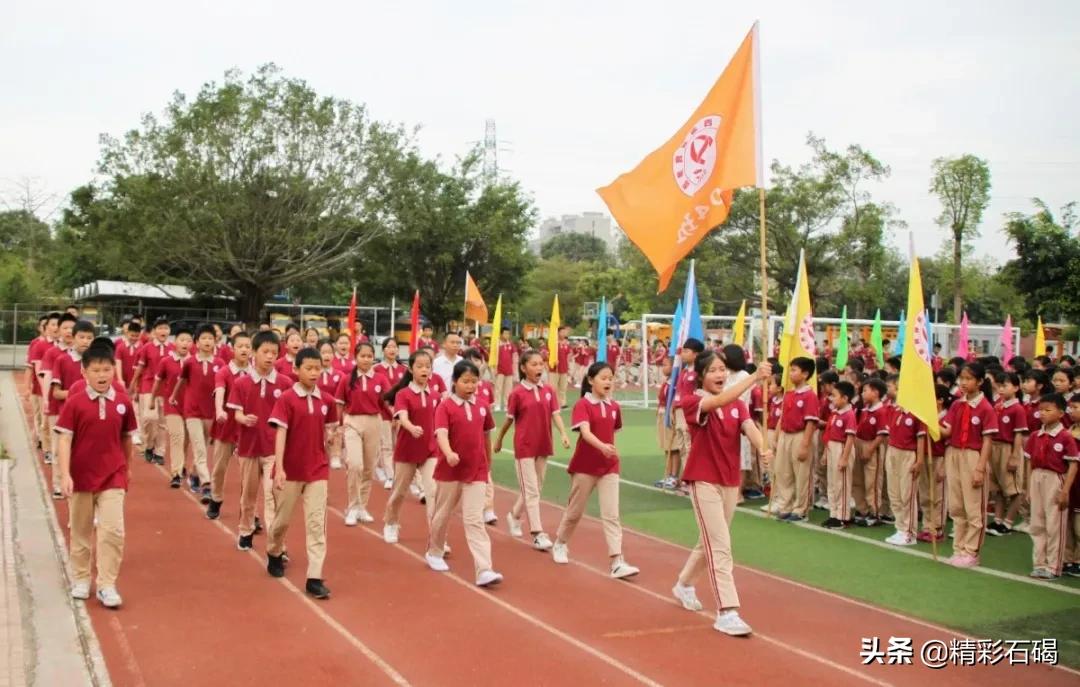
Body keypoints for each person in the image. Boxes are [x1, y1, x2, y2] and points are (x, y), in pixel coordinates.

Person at [673, 351, 772, 636]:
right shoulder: (694, 402)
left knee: (711, 541)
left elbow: (749, 427)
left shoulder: (738, 406)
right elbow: (717, 401)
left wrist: (763, 447)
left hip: (729, 481)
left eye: (723, 370)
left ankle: (684, 584)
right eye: (714, 370)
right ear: (702, 375)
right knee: (720, 545)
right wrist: (755, 378)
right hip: (703, 479)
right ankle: (727, 611)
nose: (720, 375)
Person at [55, 341, 138, 608]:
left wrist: (126, 468)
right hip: (81, 476)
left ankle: (106, 584)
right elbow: (65, 440)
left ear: (114, 370)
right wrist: (65, 474)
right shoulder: (75, 402)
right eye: (96, 370)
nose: (102, 375)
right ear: (84, 372)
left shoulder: (123, 402)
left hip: (112, 475)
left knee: (112, 530)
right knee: (81, 530)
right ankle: (81, 578)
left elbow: (126, 438)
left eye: (107, 369)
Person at [551, 362, 639, 578]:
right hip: (585, 465)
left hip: (609, 466)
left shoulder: (614, 407)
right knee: (575, 511)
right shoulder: (583, 405)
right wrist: (602, 447)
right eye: (604, 378)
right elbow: (586, 433)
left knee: (611, 514)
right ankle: (560, 543)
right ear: (591, 380)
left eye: (611, 378)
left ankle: (617, 561)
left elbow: (613, 432)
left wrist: (609, 451)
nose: (608, 382)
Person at [424, 360, 503, 586]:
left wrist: (488, 464)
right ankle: (435, 551)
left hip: (476, 469)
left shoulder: (482, 406)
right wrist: (448, 453)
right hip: (450, 470)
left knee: (474, 519)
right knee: (442, 514)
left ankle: (484, 569)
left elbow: (486, 434)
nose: (470, 386)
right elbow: (441, 434)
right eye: (465, 381)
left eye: (474, 382)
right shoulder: (445, 407)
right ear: (455, 382)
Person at [266, 348, 336, 599]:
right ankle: (274, 551)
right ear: (296, 370)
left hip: (317, 471)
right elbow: (281, 433)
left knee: (317, 525)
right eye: (309, 368)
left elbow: (329, 431)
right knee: (281, 522)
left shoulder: (327, 401)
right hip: (290, 472)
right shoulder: (286, 399)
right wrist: (280, 468)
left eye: (318, 368)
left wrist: (331, 443)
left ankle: (314, 577)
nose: (315, 372)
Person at [495, 349, 570, 550]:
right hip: (525, 446)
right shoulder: (517, 393)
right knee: (531, 490)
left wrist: (563, 434)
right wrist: (500, 440)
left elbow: (556, 415)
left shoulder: (549, 391)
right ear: (523, 368)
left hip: (543, 443)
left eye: (540, 364)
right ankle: (537, 533)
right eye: (534, 364)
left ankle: (514, 516)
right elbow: (509, 421)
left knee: (536, 488)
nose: (539, 367)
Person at [227, 331, 292, 550]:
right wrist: (243, 419)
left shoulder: (284, 383)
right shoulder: (242, 383)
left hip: (273, 449)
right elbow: (235, 413)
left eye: (274, 353)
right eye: (265, 352)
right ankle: (246, 530)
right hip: (249, 448)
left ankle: (276, 544)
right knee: (248, 497)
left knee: (273, 496)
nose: (270, 357)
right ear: (254, 353)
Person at [939, 362, 998, 568]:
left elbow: (988, 441)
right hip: (954, 453)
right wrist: (931, 423)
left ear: (980, 382)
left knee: (973, 507)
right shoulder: (957, 405)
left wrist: (980, 468)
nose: (963, 383)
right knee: (956, 505)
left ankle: (972, 551)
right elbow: (946, 431)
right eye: (961, 379)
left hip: (973, 456)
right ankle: (959, 548)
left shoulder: (985, 408)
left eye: (968, 379)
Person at [382, 350, 440, 544]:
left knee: (433, 491)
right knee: (399, 492)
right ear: (411, 369)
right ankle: (391, 523)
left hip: (430, 450)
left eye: (428, 366)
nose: (424, 370)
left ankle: (436, 535)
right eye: (420, 366)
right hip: (407, 451)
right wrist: (411, 427)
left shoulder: (435, 394)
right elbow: (403, 417)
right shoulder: (403, 394)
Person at [1024, 393, 1078, 579]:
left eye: (1048, 410)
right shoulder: (1035, 436)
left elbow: (1072, 465)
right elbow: (1029, 463)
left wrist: (1065, 491)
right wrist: (1028, 486)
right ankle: (1039, 563)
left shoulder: (1065, 437)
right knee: (1037, 523)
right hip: (1037, 477)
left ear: (1061, 412)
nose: (1043, 414)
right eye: (1041, 410)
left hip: (1056, 478)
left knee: (1054, 524)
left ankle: (1054, 565)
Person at [337, 342, 388, 527]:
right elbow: (339, 404)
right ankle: (351, 507)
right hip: (353, 422)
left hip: (374, 422)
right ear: (355, 357)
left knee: (368, 468)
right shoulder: (346, 379)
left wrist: (397, 417)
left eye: (369, 356)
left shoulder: (380, 379)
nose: (366, 359)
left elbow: (386, 403)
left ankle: (361, 507)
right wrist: (338, 426)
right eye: (362, 356)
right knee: (355, 465)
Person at [171, 324, 221, 503]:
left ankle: (193, 473)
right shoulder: (190, 362)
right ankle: (206, 484)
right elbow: (181, 381)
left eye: (210, 338)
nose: (207, 342)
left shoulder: (219, 363)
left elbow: (223, 388)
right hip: (192, 411)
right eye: (204, 339)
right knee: (199, 448)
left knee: (204, 447)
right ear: (197, 343)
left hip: (210, 413)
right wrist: (173, 396)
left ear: (215, 342)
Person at [206, 330, 252, 520]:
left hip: (247, 429)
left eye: (248, 347)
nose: (244, 350)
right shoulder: (224, 371)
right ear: (232, 349)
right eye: (240, 346)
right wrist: (219, 411)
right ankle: (215, 499)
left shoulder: (255, 372)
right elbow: (219, 391)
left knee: (249, 474)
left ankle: (249, 511)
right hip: (226, 426)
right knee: (219, 468)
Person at [49, 319, 97, 499]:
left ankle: (86, 490)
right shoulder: (62, 360)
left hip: (90, 420)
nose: (85, 341)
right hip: (66, 418)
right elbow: (56, 393)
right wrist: (78, 394)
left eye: (89, 338)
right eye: (82, 337)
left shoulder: (96, 363)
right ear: (73, 338)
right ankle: (59, 485)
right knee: (60, 452)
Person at [771, 357, 819, 522]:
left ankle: (801, 509)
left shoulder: (810, 396)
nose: (790, 374)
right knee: (783, 471)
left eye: (794, 370)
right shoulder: (789, 394)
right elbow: (782, 417)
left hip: (800, 435)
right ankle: (786, 504)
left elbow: (811, 422)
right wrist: (777, 437)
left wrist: (805, 445)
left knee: (801, 473)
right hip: (785, 434)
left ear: (805, 374)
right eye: (790, 370)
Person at [882, 375, 925, 546]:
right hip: (893, 451)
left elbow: (921, 438)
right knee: (894, 493)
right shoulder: (895, 410)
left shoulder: (916, 413)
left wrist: (919, 460)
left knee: (907, 494)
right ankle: (900, 528)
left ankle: (909, 532)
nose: (894, 390)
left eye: (898, 388)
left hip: (908, 454)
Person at [151, 328, 193, 489]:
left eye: (188, 340)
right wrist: (152, 399)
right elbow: (158, 382)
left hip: (190, 408)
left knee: (186, 440)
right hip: (172, 405)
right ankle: (176, 473)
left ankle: (181, 464)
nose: (185, 343)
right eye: (182, 339)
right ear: (175, 343)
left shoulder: (194, 361)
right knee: (177, 436)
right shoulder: (166, 361)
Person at [988, 371, 1028, 536]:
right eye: (999, 386)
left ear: (1016, 387)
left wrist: (1013, 456)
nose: (1001, 389)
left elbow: (1019, 433)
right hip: (994, 447)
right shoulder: (998, 406)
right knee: (998, 488)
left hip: (1009, 448)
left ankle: (1008, 521)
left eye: (1005, 386)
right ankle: (997, 520)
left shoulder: (1017, 409)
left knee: (1014, 489)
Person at [130, 317, 172, 465]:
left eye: (166, 328)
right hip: (148, 386)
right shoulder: (146, 348)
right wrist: (133, 384)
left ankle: (160, 452)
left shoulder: (173, 348)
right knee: (149, 418)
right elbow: (140, 367)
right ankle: (148, 445)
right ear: (154, 331)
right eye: (160, 328)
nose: (163, 331)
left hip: (166, 389)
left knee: (162, 422)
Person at [852, 378, 888, 527]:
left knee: (872, 481)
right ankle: (862, 509)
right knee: (858, 479)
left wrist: (871, 448)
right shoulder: (864, 409)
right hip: (860, 443)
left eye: (866, 390)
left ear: (876, 393)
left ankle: (874, 512)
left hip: (872, 445)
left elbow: (882, 433)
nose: (862, 393)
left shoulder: (881, 411)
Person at [821, 380, 857, 529]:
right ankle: (833, 513)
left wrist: (844, 458)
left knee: (841, 483)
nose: (832, 399)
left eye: (835, 396)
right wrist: (825, 453)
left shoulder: (849, 415)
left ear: (845, 398)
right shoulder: (835, 414)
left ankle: (842, 516)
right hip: (831, 447)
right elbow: (828, 434)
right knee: (832, 482)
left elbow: (850, 438)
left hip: (842, 448)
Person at [377, 338, 406, 488]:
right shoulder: (376, 369)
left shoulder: (404, 370)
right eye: (389, 347)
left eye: (395, 347)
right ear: (383, 350)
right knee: (386, 445)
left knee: (399, 446)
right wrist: (389, 408)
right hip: (383, 413)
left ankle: (400, 476)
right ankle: (390, 476)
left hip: (401, 414)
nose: (392, 350)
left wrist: (399, 411)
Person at [316, 340, 346, 470]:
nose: (326, 356)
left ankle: (335, 456)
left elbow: (341, 398)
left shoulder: (340, 375)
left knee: (336, 432)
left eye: (329, 353)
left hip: (333, 411)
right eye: (323, 353)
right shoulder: (313, 373)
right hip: (316, 410)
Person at [493, 328, 516, 411]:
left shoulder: (511, 345)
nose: (507, 335)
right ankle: (497, 404)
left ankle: (507, 405)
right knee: (498, 388)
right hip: (499, 370)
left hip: (509, 370)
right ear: (501, 334)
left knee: (508, 390)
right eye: (505, 333)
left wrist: (515, 370)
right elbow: (494, 358)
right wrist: (494, 369)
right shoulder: (497, 344)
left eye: (508, 334)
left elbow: (514, 357)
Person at [114, 321, 142, 389]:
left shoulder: (142, 348)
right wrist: (120, 379)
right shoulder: (120, 347)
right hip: (123, 380)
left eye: (137, 336)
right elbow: (118, 364)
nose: (134, 338)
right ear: (127, 333)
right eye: (132, 335)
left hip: (136, 382)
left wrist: (136, 383)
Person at [549, 326, 572, 408]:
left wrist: (568, 367)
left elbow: (569, 356)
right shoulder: (553, 343)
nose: (564, 334)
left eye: (565, 332)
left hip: (564, 369)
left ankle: (562, 403)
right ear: (558, 333)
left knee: (563, 388)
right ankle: (552, 403)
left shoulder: (566, 344)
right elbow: (548, 355)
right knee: (553, 388)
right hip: (554, 370)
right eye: (562, 332)